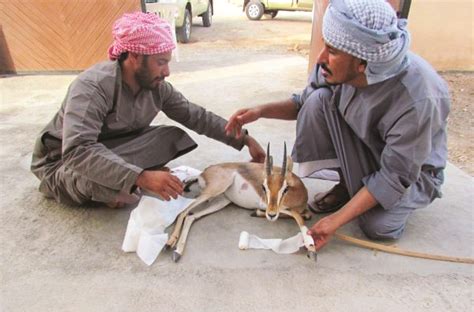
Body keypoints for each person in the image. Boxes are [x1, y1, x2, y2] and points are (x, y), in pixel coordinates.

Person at [225, 0, 450, 250]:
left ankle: (372, 195)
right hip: (367, 150)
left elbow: (395, 175)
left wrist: (335, 221)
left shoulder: (418, 98)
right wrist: (260, 111)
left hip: (410, 173)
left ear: (362, 63)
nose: (321, 58)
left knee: (378, 227)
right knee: (317, 101)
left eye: (332, 51)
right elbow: (302, 102)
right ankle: (349, 185)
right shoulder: (337, 68)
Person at [31, 12, 265, 208]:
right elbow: (78, 151)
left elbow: (194, 115)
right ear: (134, 56)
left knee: (169, 137)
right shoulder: (92, 87)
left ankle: (119, 182)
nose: (167, 72)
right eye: (160, 62)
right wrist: (140, 177)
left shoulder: (157, 87)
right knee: (99, 181)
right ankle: (112, 190)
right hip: (62, 162)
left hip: (113, 148)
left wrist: (244, 139)